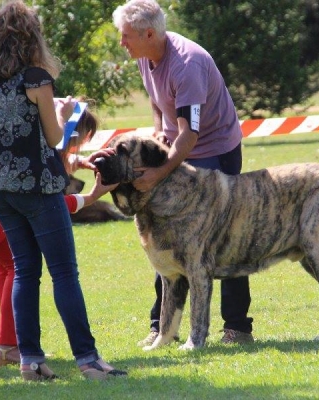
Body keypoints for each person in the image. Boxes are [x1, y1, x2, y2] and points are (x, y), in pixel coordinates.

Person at [0, 1, 126, 380]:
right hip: (37, 187)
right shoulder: (37, 78)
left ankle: (31, 361)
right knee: (64, 273)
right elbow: (55, 138)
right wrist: (62, 114)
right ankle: (88, 360)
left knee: (24, 272)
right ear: (32, 37)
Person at [112, 0, 254, 347]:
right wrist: (158, 131)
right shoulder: (147, 55)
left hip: (214, 151)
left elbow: (190, 136)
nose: (122, 43)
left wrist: (158, 174)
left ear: (148, 33)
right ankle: (163, 327)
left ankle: (237, 327)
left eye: (126, 36)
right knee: (163, 237)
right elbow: (158, 103)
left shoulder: (186, 64)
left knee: (226, 237)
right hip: (180, 150)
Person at [0, 105, 103, 369]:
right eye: (77, 142)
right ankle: (6, 346)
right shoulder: (46, 135)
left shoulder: (28, 117)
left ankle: (6, 344)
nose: (77, 148)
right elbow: (49, 206)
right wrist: (90, 198)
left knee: (6, 266)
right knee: (16, 265)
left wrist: (69, 161)